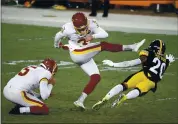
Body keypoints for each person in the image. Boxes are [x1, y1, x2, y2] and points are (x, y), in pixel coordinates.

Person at [54, 12, 145, 110]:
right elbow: (58, 35)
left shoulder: (92, 23)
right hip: (77, 53)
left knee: (96, 77)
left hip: (85, 54)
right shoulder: (68, 28)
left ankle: (80, 100)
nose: (83, 31)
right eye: (80, 30)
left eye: (85, 28)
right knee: (103, 45)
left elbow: (105, 34)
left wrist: (93, 36)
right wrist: (56, 44)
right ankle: (132, 47)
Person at [92, 39, 175, 110]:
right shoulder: (165, 61)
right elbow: (162, 66)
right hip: (152, 82)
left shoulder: (148, 53)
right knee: (138, 91)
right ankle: (125, 97)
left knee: (123, 85)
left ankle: (105, 98)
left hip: (143, 74)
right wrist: (168, 61)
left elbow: (132, 63)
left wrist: (114, 64)